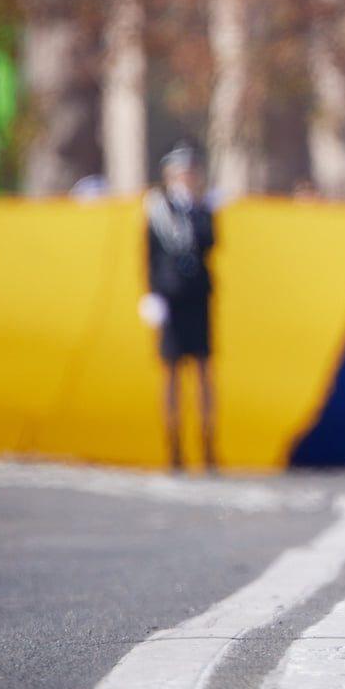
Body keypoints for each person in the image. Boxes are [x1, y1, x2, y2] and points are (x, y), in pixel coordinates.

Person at [142, 142, 218, 472]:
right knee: (171, 374)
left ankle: (207, 444)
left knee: (203, 372)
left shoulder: (200, 208)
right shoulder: (158, 209)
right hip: (171, 297)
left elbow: (210, 243)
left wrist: (197, 208)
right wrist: (153, 294)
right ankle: (174, 446)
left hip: (197, 296)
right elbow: (150, 255)